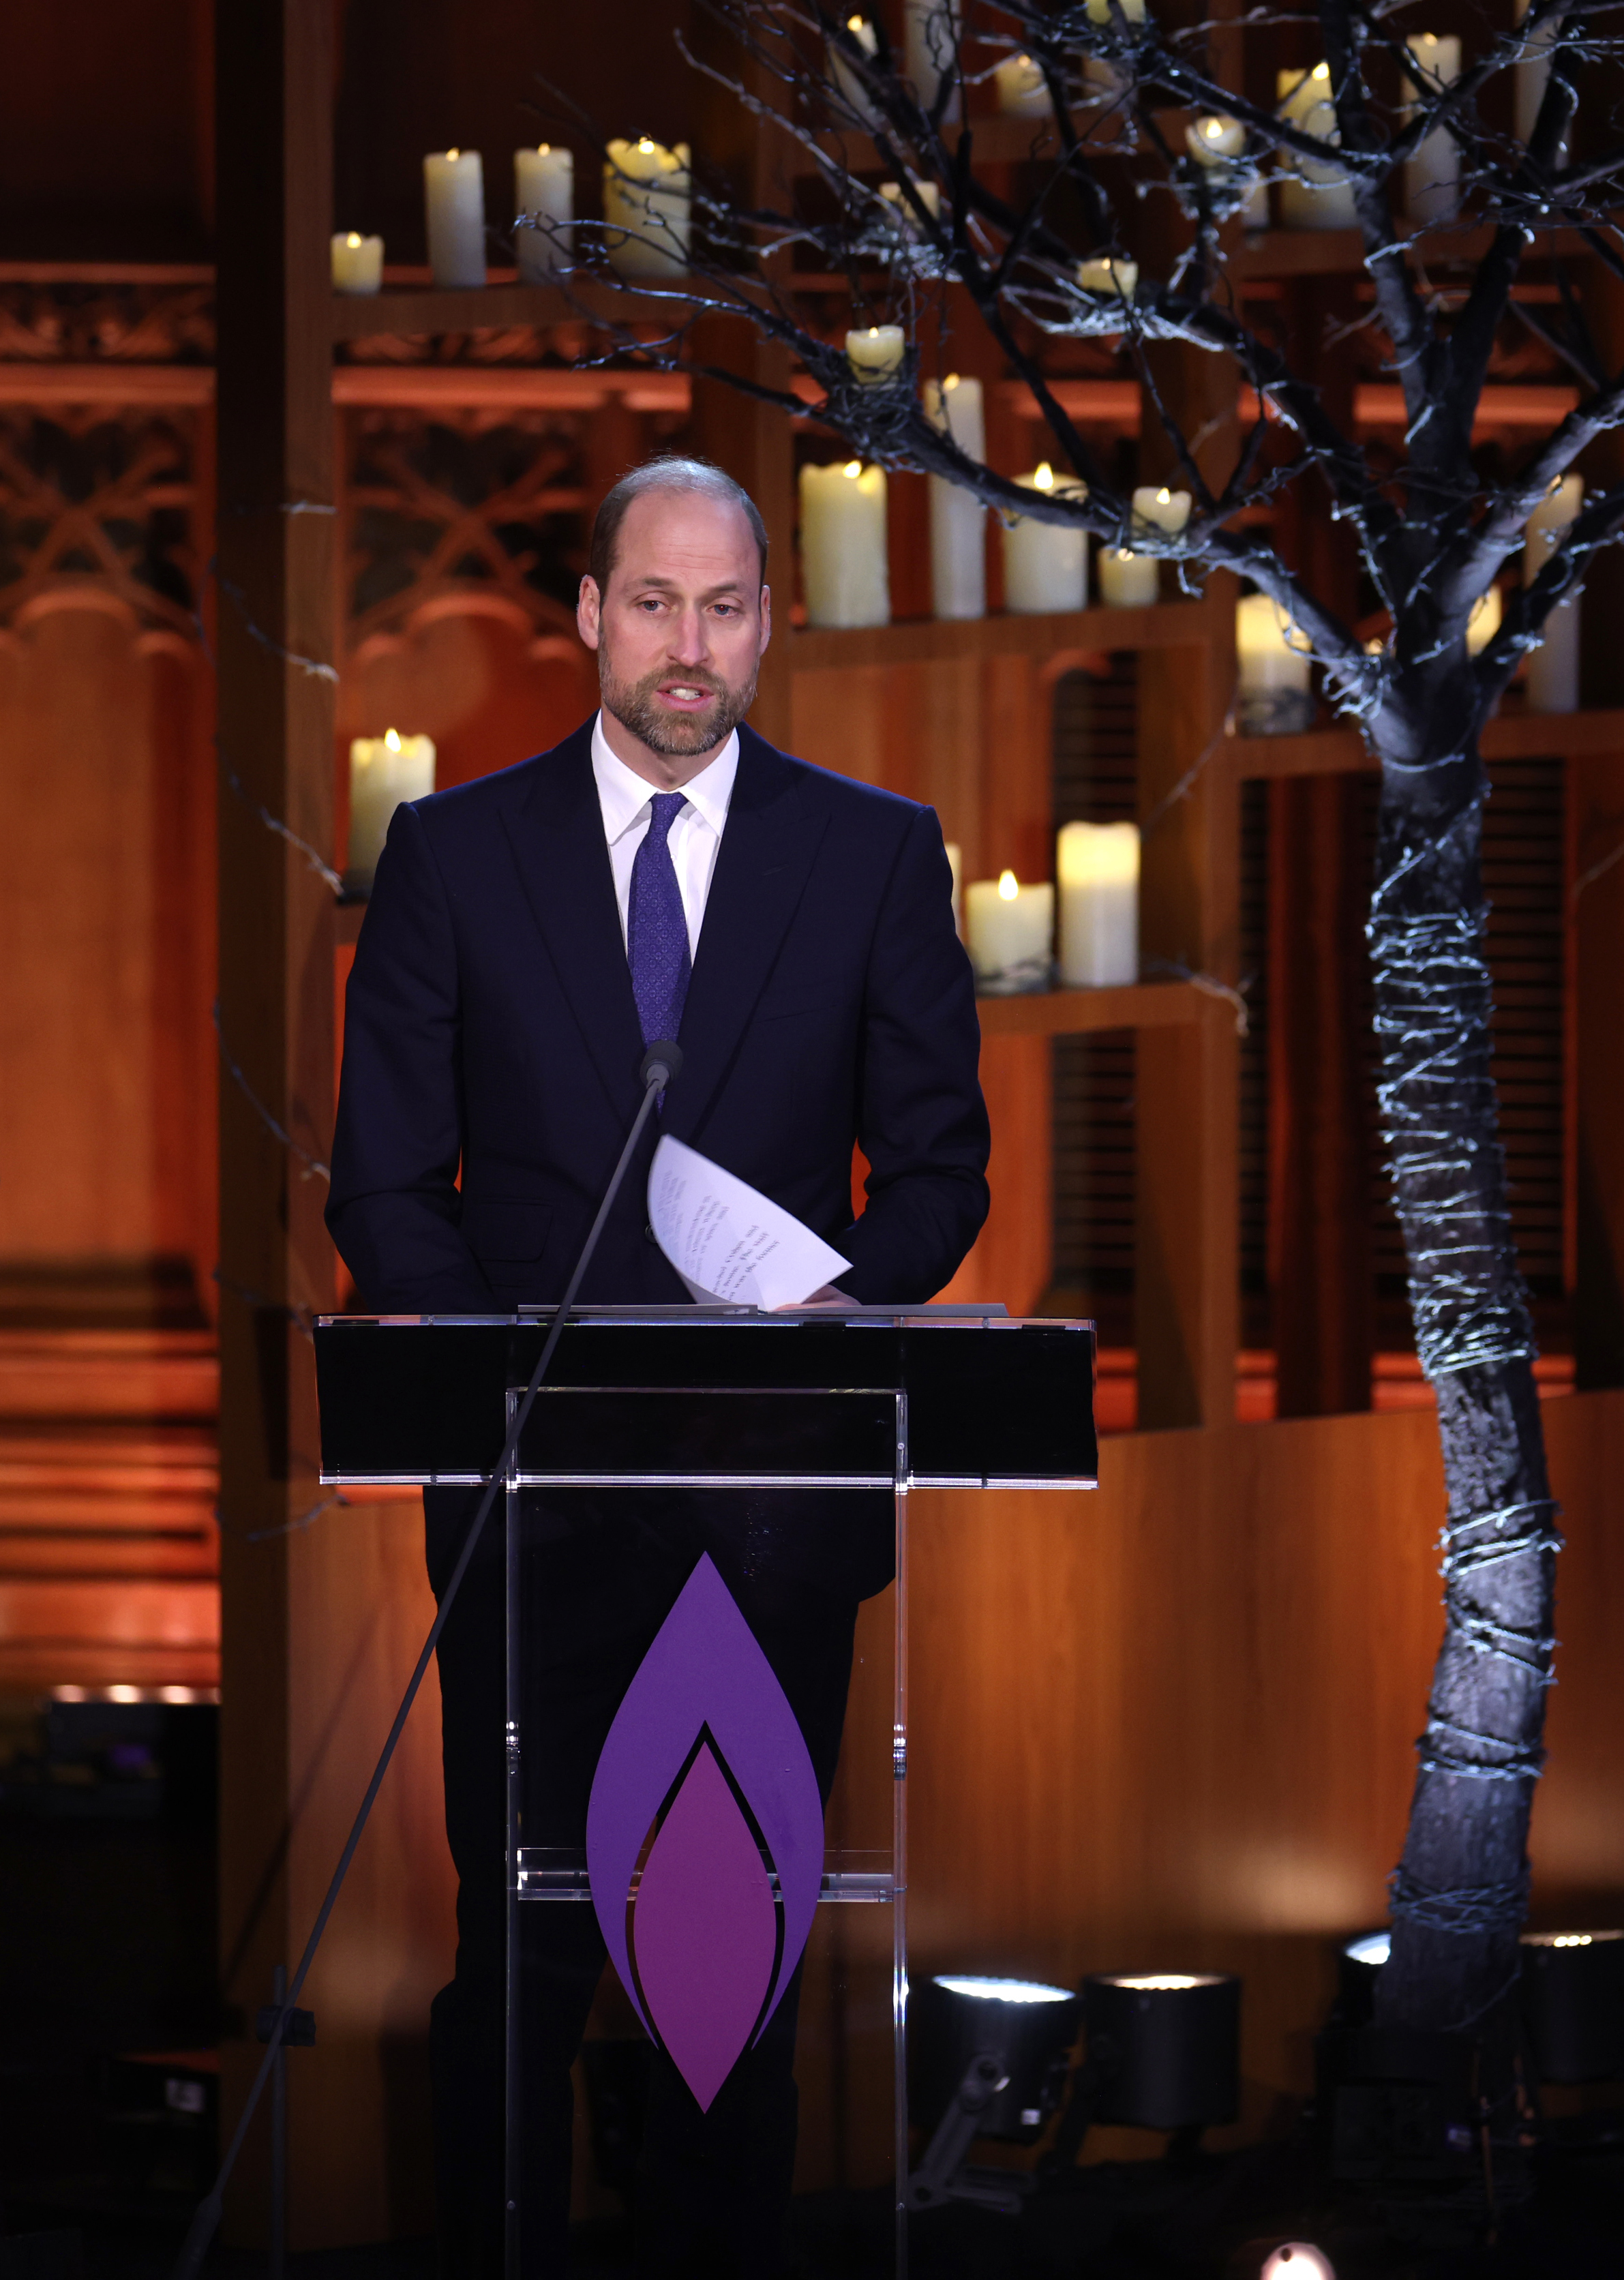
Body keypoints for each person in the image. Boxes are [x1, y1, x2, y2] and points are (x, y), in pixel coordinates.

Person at [326, 457, 989, 2275]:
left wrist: (847, 1298)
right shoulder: (455, 855)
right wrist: (498, 1386)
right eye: (652, 604)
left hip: (775, 1495)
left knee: (732, 1951)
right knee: (524, 1949)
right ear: (590, 616)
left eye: (723, 609)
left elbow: (939, 1165)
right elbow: (388, 1180)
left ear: (769, 620)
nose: (686, 648)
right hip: (534, 1501)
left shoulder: (872, 851)